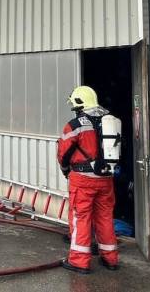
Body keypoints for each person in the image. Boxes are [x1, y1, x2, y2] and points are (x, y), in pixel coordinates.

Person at [57, 85, 119, 274]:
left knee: (81, 217)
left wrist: (66, 170)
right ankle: (110, 259)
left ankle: (79, 261)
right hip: (106, 179)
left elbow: (63, 153)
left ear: (79, 104)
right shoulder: (111, 121)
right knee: (105, 217)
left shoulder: (75, 125)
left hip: (83, 179)